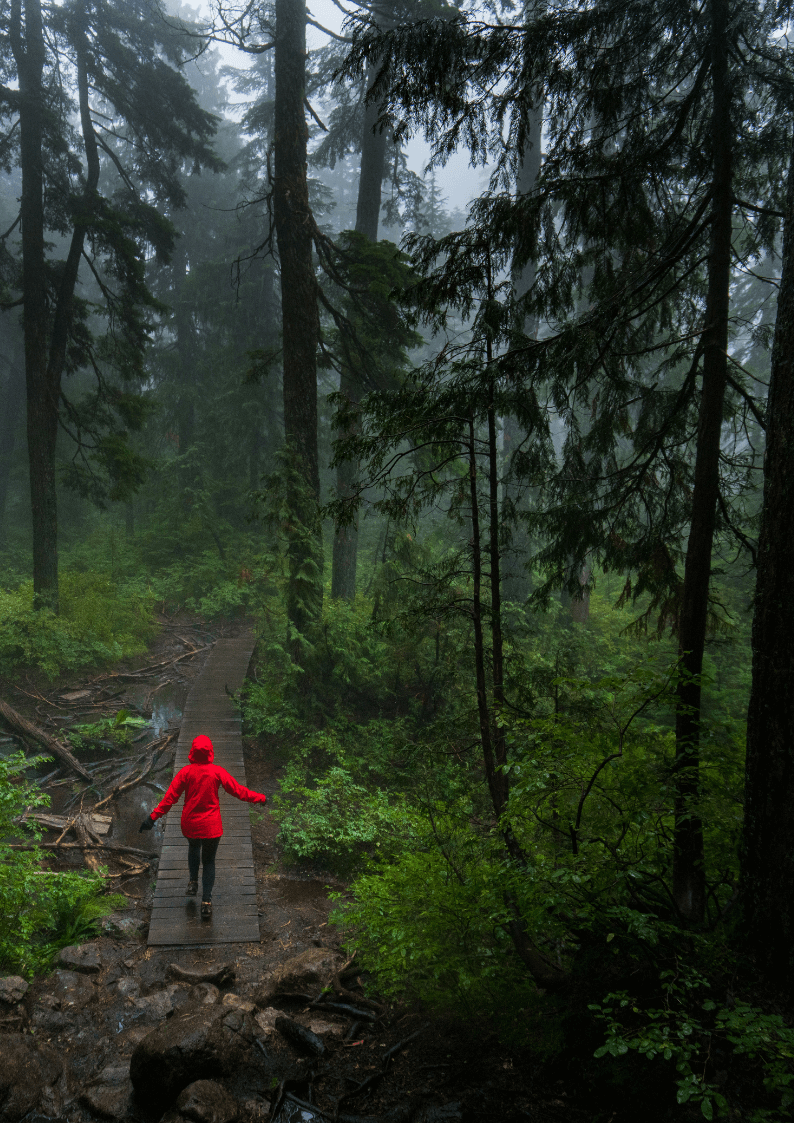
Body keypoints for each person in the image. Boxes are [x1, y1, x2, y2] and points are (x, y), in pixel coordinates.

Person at [140, 733, 266, 919]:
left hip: (190, 825)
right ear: (210, 752)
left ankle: (192, 882)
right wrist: (260, 798)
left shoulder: (185, 773)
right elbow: (238, 791)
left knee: (193, 846)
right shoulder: (217, 772)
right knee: (208, 861)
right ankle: (206, 902)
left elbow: (169, 799)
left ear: (192, 751)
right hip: (211, 827)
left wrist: (152, 818)